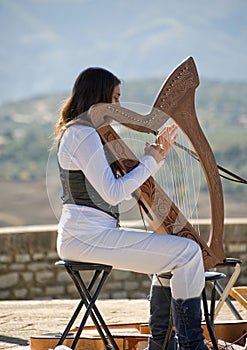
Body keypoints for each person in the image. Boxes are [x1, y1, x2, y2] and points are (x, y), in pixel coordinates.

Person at [54, 67, 208, 350]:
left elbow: (117, 194)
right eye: (115, 98)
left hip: (88, 235)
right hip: (87, 238)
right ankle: (190, 344)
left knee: (172, 256)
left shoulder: (83, 132)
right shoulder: (83, 134)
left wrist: (152, 159)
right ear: (97, 98)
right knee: (188, 252)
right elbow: (114, 194)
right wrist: (152, 160)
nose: (120, 107)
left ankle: (161, 345)